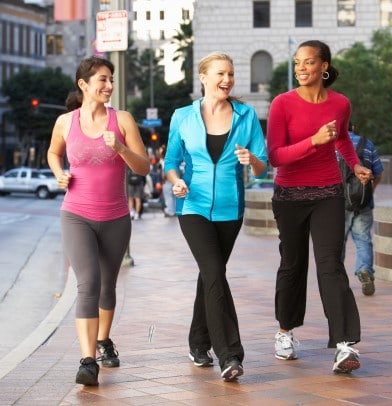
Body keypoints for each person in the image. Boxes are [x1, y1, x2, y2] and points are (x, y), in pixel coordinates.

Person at [266, 40, 372, 374]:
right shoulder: (282, 104)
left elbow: (341, 139)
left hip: (328, 191)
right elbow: (275, 156)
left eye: (308, 63)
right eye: (297, 63)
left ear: (323, 66)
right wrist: (313, 141)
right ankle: (285, 331)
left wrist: (354, 165)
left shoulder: (340, 103)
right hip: (290, 195)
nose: (300, 69)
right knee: (293, 265)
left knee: (331, 264)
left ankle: (343, 344)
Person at [164, 52, 268, 382]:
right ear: (204, 77)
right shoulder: (182, 116)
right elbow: (169, 163)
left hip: (230, 209)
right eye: (221, 73)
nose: (228, 79)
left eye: (231, 74)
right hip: (192, 206)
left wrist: (250, 158)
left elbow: (263, 165)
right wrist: (176, 181)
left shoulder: (246, 115)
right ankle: (230, 355)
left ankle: (198, 342)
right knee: (213, 271)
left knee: (212, 274)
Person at [47, 56, 150, 386]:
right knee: (88, 283)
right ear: (84, 85)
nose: (109, 86)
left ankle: (104, 340)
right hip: (76, 214)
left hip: (116, 217)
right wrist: (59, 173)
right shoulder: (66, 122)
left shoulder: (122, 120)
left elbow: (143, 168)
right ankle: (88, 359)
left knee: (107, 285)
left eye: (111, 80)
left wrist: (120, 147)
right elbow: (53, 152)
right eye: (102, 80)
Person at [342, 123, 384, 296]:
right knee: (363, 240)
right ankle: (364, 269)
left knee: (337, 242)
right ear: (353, 126)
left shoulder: (331, 146)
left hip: (339, 203)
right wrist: (369, 193)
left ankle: (337, 280)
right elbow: (379, 173)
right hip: (363, 202)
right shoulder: (368, 144)